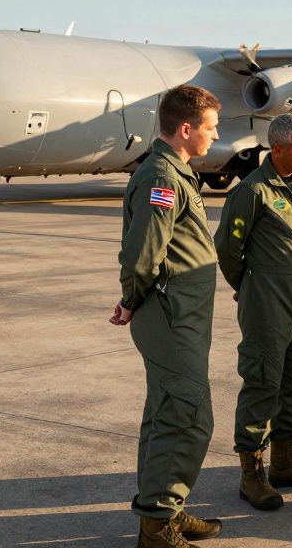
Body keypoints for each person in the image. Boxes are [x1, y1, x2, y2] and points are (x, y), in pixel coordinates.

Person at [111, 84, 223, 548]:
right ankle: (157, 526)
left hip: (183, 317)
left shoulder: (176, 173)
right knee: (188, 416)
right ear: (185, 128)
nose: (215, 137)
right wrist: (131, 299)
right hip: (170, 315)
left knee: (166, 414)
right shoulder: (162, 177)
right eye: (211, 128)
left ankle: (164, 510)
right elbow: (143, 254)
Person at [214, 114, 292, 511]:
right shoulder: (251, 191)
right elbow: (229, 251)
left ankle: (285, 461)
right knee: (263, 380)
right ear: (276, 149)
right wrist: (249, 287)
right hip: (265, 299)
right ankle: (252, 474)